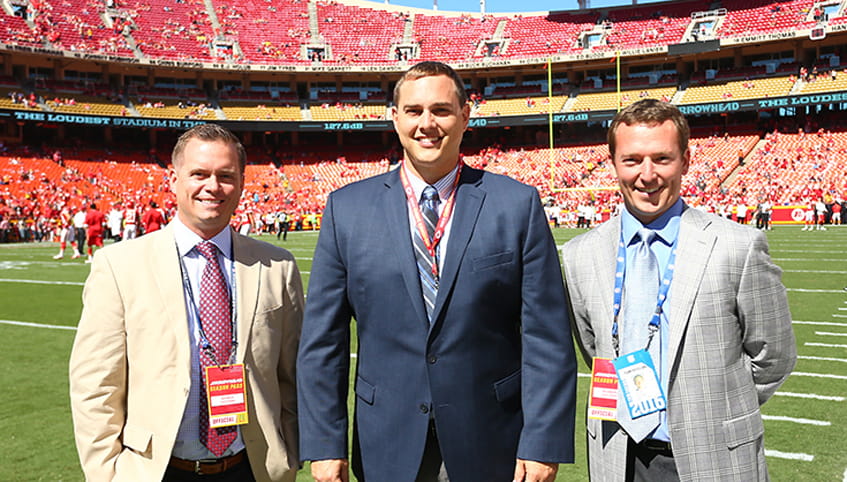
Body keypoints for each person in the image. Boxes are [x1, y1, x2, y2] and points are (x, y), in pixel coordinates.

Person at [297, 61, 577, 482]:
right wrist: (324, 443)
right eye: (413, 111)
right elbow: (323, 342)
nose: (427, 123)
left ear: (466, 115)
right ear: (394, 118)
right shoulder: (346, 209)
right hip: (386, 442)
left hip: (490, 441)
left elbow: (548, 337)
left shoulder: (515, 205)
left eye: (441, 110)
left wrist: (543, 441)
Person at [561, 99, 796, 481]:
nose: (647, 174)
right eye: (632, 159)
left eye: (662, 159)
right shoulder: (579, 254)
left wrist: (715, 408)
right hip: (618, 456)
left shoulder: (737, 245)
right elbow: (595, 348)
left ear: (685, 162)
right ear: (614, 163)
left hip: (714, 456)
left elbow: (775, 355)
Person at [69, 124, 304, 481]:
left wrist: (292, 451)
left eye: (226, 175)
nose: (213, 186)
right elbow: (96, 384)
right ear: (174, 179)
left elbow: (293, 375)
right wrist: (106, 473)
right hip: (156, 469)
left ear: (241, 182)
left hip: (252, 467)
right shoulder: (119, 265)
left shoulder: (277, 266)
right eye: (199, 174)